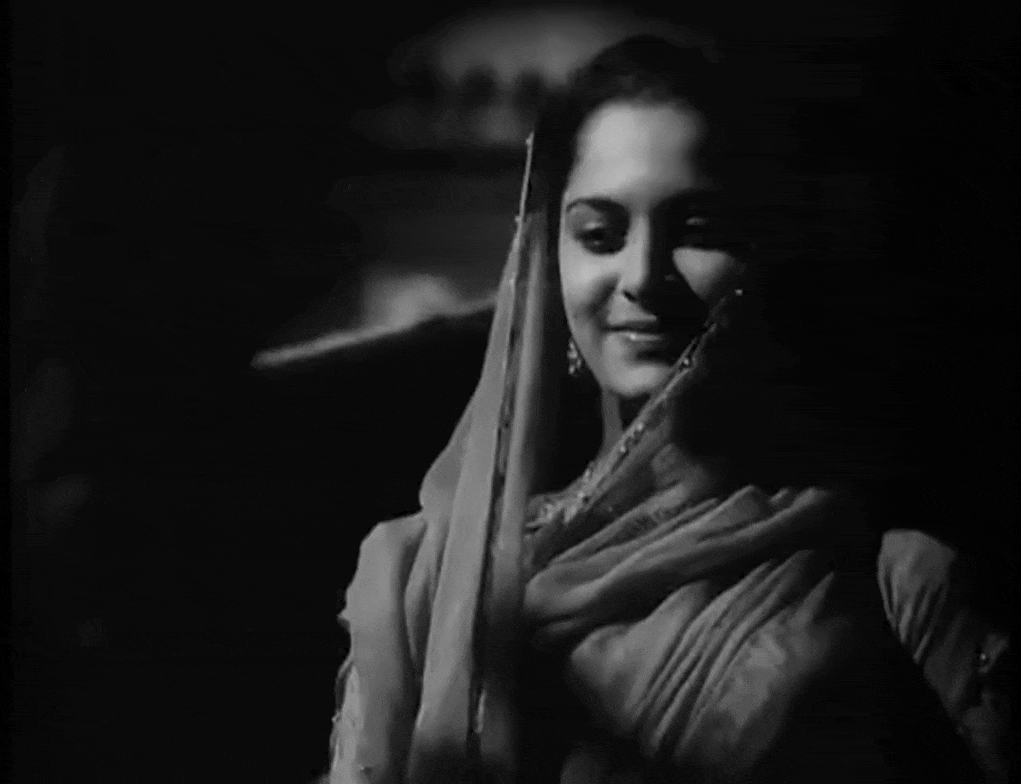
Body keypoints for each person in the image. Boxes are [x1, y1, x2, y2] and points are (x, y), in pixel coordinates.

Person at [321, 36, 1011, 783]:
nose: (643, 276)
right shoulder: (424, 576)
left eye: (697, 231)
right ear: (548, 260)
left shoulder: (887, 576)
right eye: (600, 236)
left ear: (763, 252)